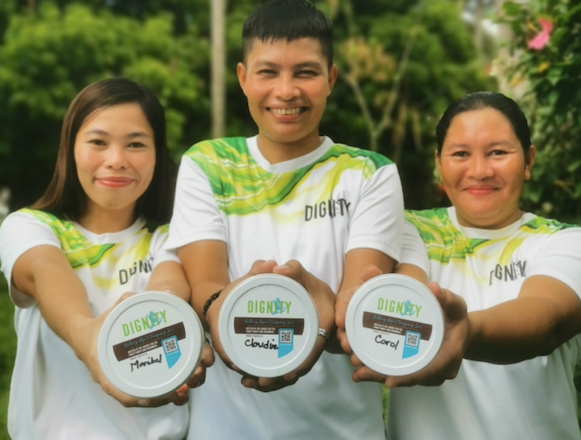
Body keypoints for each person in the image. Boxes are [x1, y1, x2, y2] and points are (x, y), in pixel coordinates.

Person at [162, 0, 405, 438]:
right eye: (268, 72)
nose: (286, 91)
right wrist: (231, 319)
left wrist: (317, 323)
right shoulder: (207, 163)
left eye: (306, 72)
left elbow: (358, 305)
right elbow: (205, 286)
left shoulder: (371, 173)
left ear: (331, 79)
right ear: (243, 78)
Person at [341, 91, 581, 440]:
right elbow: (410, 300)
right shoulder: (409, 230)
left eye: (498, 152)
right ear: (439, 164)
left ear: (528, 161)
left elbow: (547, 319)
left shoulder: (564, 241)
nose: (480, 171)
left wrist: (467, 330)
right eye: (460, 154)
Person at [0, 77, 213, 440]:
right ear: (70, 148)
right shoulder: (28, 227)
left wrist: (169, 319)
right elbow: (44, 273)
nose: (116, 161)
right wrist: (90, 341)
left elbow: (169, 284)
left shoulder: (172, 237)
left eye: (135, 144)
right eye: (98, 142)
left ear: (158, 154)